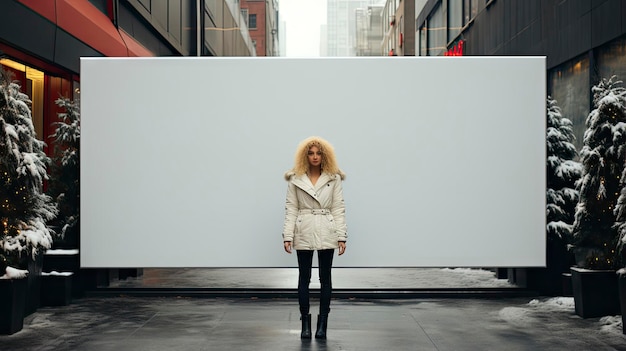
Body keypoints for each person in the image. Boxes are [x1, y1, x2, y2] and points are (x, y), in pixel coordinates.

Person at [282, 136, 347, 340]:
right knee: (304, 278)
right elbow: (291, 208)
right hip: (304, 227)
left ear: (325, 155)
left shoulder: (333, 178)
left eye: (319, 153)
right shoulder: (295, 178)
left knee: (325, 279)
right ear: (305, 155)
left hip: (327, 227)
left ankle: (322, 325)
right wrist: (288, 235)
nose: (315, 156)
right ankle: (305, 324)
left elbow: (338, 207)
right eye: (311, 153)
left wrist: (342, 236)